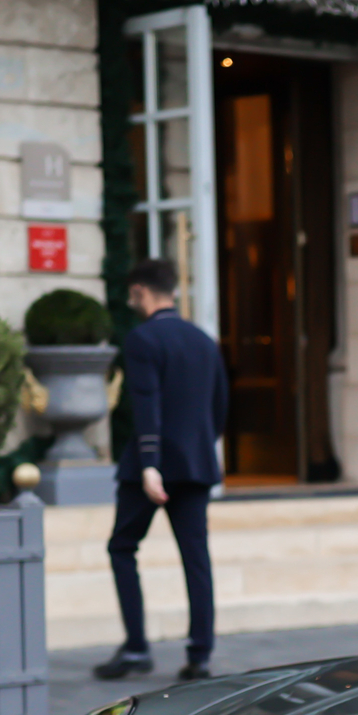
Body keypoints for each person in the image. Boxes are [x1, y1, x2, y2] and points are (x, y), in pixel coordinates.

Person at [93, 258, 231, 682]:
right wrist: (198, 450)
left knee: (122, 547)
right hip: (195, 465)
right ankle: (200, 655)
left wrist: (152, 465)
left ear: (140, 292)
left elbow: (146, 406)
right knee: (196, 560)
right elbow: (220, 406)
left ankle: (137, 648)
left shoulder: (142, 339)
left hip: (147, 471)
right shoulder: (205, 341)